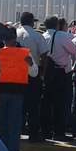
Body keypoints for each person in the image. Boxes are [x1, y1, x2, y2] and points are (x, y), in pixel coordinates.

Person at [0, 31, 37, 151]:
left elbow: (34, 73)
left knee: (14, 124)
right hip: (1, 92)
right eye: (6, 39)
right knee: (2, 123)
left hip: (16, 93)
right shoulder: (0, 52)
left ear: (14, 39)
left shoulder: (24, 53)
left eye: (9, 39)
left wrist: (30, 63)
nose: (7, 42)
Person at [42, 15, 76, 141]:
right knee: (61, 104)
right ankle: (59, 132)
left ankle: (46, 130)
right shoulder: (63, 36)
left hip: (47, 73)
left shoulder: (43, 36)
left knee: (46, 103)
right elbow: (75, 51)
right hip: (61, 73)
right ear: (57, 25)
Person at [16, 12, 48, 143]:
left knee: (18, 105)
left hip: (15, 75)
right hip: (32, 74)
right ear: (31, 22)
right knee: (33, 106)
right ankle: (33, 134)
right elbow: (44, 56)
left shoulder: (15, 34)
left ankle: (17, 131)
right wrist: (42, 74)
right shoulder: (37, 36)